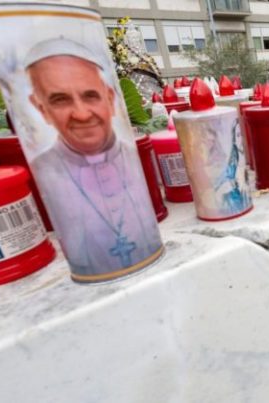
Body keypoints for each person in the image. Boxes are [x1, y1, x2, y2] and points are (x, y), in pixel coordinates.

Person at [26, 38, 162, 280]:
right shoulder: (41, 171)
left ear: (110, 98)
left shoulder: (133, 156)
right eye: (60, 100)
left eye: (91, 96)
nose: (81, 113)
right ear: (41, 108)